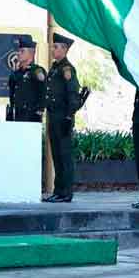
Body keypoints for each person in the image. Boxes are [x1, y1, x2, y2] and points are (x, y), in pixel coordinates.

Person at [43, 34, 82, 203]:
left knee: (64, 155)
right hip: (53, 115)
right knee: (57, 155)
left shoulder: (67, 69)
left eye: (57, 47)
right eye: (53, 46)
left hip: (62, 116)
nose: (53, 49)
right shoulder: (55, 68)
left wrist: (68, 116)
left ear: (65, 49)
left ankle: (66, 192)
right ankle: (58, 191)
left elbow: (73, 95)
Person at [7, 38, 45, 123]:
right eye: (19, 51)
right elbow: (12, 90)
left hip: (31, 116)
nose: (18, 54)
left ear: (31, 53)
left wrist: (40, 109)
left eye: (22, 51)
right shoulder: (17, 72)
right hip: (17, 115)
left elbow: (43, 90)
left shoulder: (36, 71)